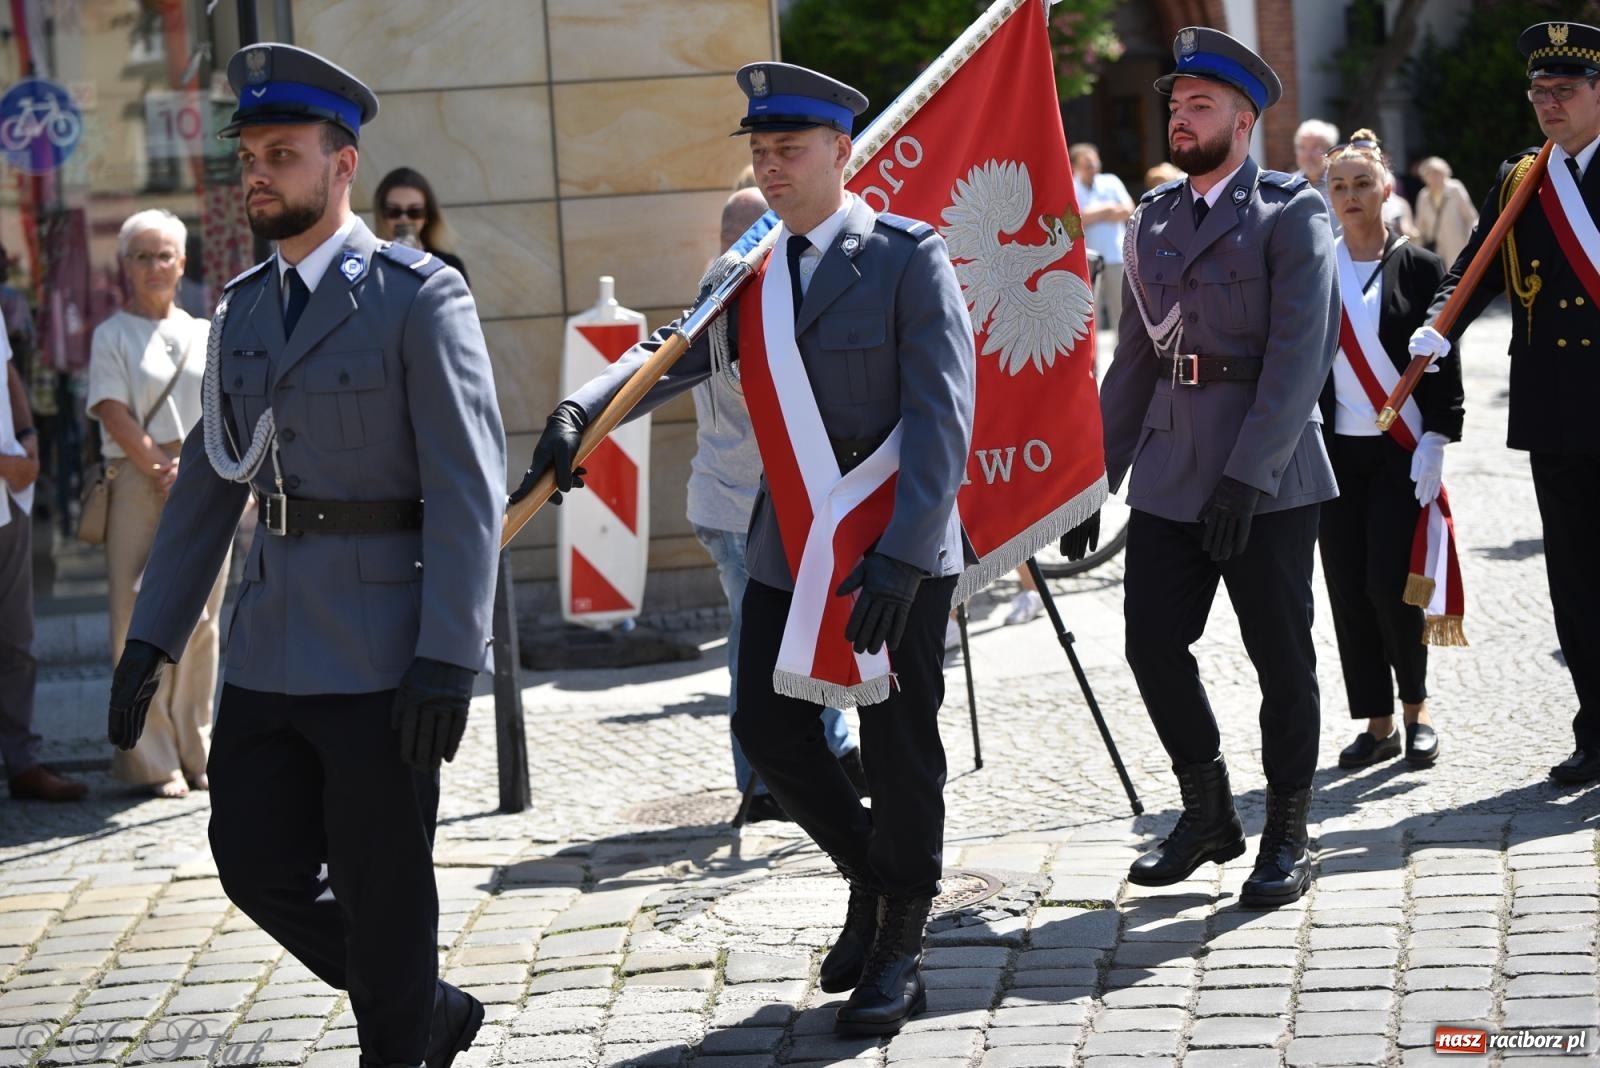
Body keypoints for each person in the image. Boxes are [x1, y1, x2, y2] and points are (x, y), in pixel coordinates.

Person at [515, 62, 975, 1034]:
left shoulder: (906, 257)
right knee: (769, 731)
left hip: (895, 545)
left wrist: (903, 555)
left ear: (841, 153)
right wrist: (581, 413)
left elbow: (944, 417)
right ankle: (871, 875)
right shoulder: (749, 273)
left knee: (899, 747)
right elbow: (668, 355)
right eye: (760, 151)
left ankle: (900, 942)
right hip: (793, 540)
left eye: (788, 149)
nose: (770, 167)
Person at [105, 43, 503, 1067]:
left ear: (342, 164)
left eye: (281, 153)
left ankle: (399, 1041)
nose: (258, 173)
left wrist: (449, 655)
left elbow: (468, 489)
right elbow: (211, 481)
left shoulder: (417, 295)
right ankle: (423, 1007)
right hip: (271, 640)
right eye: (250, 156)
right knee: (253, 863)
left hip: (383, 647)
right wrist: (151, 637)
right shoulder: (240, 307)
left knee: (383, 884)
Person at [1082, 27, 1339, 907]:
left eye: (1201, 105)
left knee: (1281, 658)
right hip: (1170, 466)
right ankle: (1207, 815)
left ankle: (1289, 833)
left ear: (1244, 120)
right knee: (1151, 644)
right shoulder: (1152, 220)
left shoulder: (1290, 211)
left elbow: (1300, 357)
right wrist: (1093, 478)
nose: (1181, 118)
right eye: (1176, 105)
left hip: (1266, 472)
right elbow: (1136, 359)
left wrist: (1247, 476)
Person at [1408, 22, 1600, 786]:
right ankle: (1596, 732)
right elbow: (1474, 266)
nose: (1548, 104)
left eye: (1564, 90)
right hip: (1557, 410)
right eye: (1538, 91)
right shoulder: (1525, 177)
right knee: (1576, 582)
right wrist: (1439, 321)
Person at [693, 184, 866, 822]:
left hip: (765, 505)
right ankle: (763, 785)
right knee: (757, 653)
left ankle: (835, 750)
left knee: (808, 634)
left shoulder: (747, 290)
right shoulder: (730, 298)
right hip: (741, 509)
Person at [1317, 132, 1463, 772]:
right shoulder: (1314, 266)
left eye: (1362, 184)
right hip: (1333, 456)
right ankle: (1375, 723)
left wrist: (1438, 435)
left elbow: (1443, 360)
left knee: (1390, 585)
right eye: (1339, 186)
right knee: (1348, 589)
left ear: (1385, 189)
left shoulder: (1421, 266)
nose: (1351, 195)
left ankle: (1416, 710)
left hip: (1400, 452)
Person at [86, 210, 222, 798]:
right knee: (134, 622)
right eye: (141, 256)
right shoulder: (110, 334)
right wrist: (162, 467)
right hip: (137, 488)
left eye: (163, 254)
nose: (154, 266)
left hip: (202, 484)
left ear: (182, 263)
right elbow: (111, 410)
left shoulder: (206, 331)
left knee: (203, 623)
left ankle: (198, 747)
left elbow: (222, 406)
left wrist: (191, 471)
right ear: (125, 265)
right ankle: (150, 757)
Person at [2, 311, 87, 802]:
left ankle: (23, 763)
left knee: (17, 640)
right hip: (8, 477)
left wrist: (28, 435)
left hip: (9, 499)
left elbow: (6, 368)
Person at [1071, 143, 1135, 342]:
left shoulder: (1111, 181)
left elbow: (1129, 209)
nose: (1093, 169)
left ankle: (1123, 358)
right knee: (1090, 316)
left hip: (1116, 256)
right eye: (1087, 165)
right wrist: (1107, 209)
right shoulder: (1070, 186)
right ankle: (1093, 360)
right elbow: (1074, 219)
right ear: (1075, 167)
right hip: (1087, 260)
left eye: (1094, 164)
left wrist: (1092, 214)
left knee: (1122, 313)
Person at [372, 167, 469, 284]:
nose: (404, 219)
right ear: (382, 214)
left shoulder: (448, 266)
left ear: (427, 215)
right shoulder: (369, 265)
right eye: (394, 211)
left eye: (414, 212)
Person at [1414, 156, 1479, 269]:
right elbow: (1420, 226)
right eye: (1430, 173)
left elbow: (1471, 217)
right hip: (1437, 248)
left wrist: (1471, 242)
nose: (1434, 177)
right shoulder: (1423, 196)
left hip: (1459, 244)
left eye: (1437, 173)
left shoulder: (1455, 189)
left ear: (1445, 173)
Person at [1293, 117, 1341, 231]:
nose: (1308, 155)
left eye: (1316, 147)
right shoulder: (1288, 186)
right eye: (1302, 147)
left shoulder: (1342, 185)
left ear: (1331, 151)